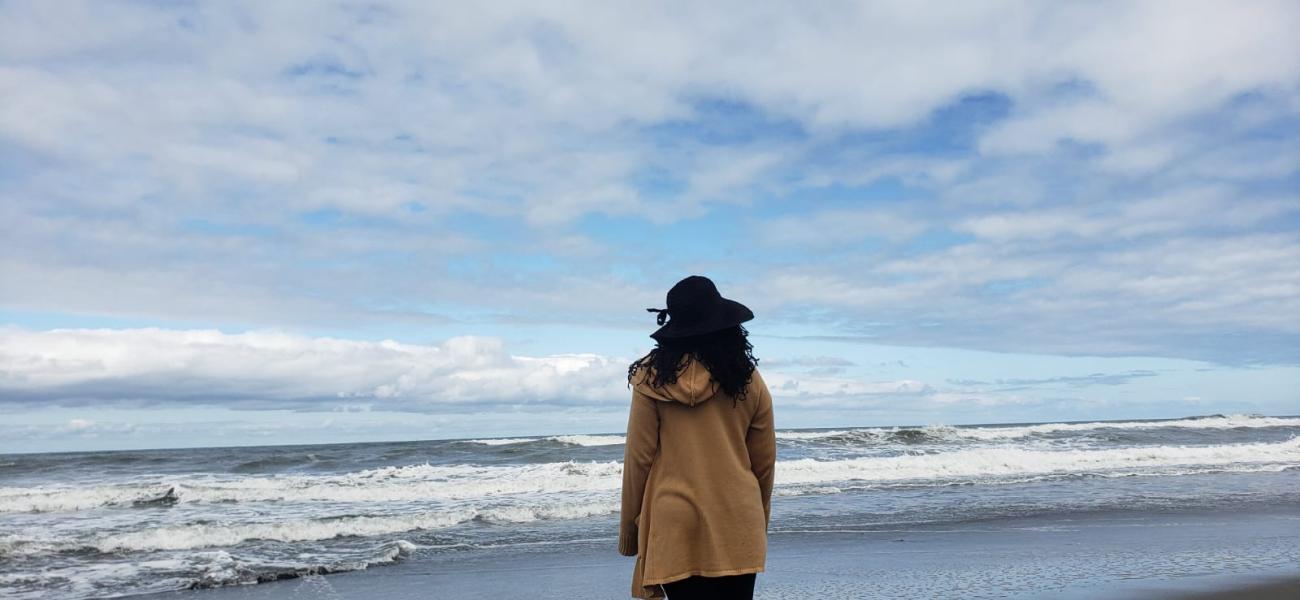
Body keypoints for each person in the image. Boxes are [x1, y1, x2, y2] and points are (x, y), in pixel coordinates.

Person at [619, 275, 776, 600]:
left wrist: (629, 534)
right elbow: (764, 462)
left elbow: (639, 459)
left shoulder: (650, 378)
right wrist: (759, 520)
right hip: (738, 520)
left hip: (674, 522)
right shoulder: (747, 379)